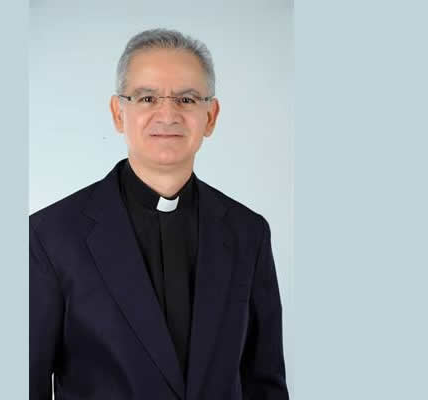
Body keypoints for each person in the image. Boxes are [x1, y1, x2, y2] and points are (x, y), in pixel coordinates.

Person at [30, 28, 289, 400]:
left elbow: (264, 383)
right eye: (147, 97)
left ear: (210, 116)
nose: (167, 114)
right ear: (119, 113)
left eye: (186, 99)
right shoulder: (50, 235)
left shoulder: (248, 232)